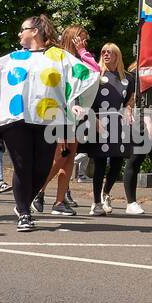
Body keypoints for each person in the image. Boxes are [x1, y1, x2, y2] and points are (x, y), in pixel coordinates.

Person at [0, 14, 62, 232]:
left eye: (23, 29)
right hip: (16, 118)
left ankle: (23, 202)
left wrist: (77, 102)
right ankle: (24, 212)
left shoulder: (57, 56)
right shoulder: (13, 58)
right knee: (22, 165)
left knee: (42, 168)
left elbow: (79, 77)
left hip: (47, 118)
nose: (20, 33)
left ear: (35, 31)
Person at [36, 24, 96, 216]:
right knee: (60, 156)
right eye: (80, 39)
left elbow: (95, 72)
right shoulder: (59, 56)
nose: (84, 42)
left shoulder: (80, 58)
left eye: (85, 39)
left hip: (77, 115)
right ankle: (37, 191)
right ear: (71, 38)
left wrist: (82, 52)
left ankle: (59, 201)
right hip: (61, 113)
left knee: (69, 158)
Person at [81, 43, 134, 215]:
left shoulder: (127, 77)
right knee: (100, 162)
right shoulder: (96, 75)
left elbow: (130, 99)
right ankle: (96, 201)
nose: (105, 54)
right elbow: (86, 98)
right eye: (103, 51)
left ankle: (106, 193)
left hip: (118, 122)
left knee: (118, 160)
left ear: (117, 55)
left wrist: (129, 108)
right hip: (99, 121)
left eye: (109, 52)